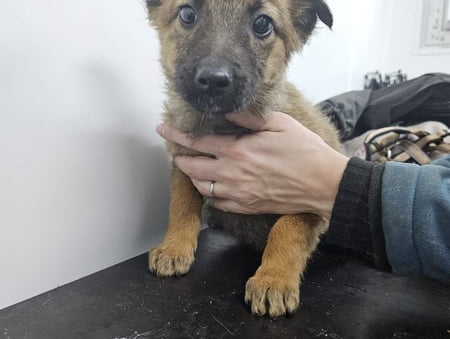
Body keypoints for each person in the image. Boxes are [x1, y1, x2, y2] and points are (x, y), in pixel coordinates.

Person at [157, 111, 450, 281]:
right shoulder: (185, 115)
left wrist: (337, 185)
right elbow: (185, 166)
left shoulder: (293, 115)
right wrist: (181, 230)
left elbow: (310, 209)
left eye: (261, 28)